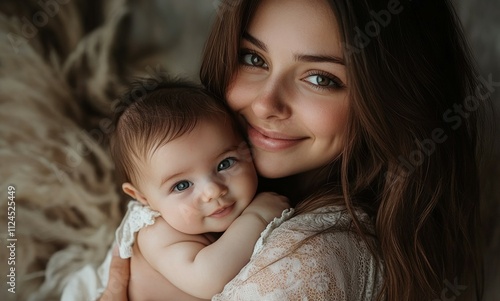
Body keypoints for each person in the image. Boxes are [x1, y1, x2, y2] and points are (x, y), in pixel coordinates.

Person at [101, 0, 488, 300]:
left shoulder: (309, 261)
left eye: (321, 78)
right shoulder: (178, 208)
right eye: (254, 58)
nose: (267, 104)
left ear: (392, 99)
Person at [65, 78, 290, 301]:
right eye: (181, 185)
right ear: (143, 198)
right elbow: (208, 279)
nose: (213, 190)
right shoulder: (157, 234)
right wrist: (257, 216)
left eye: (225, 163)